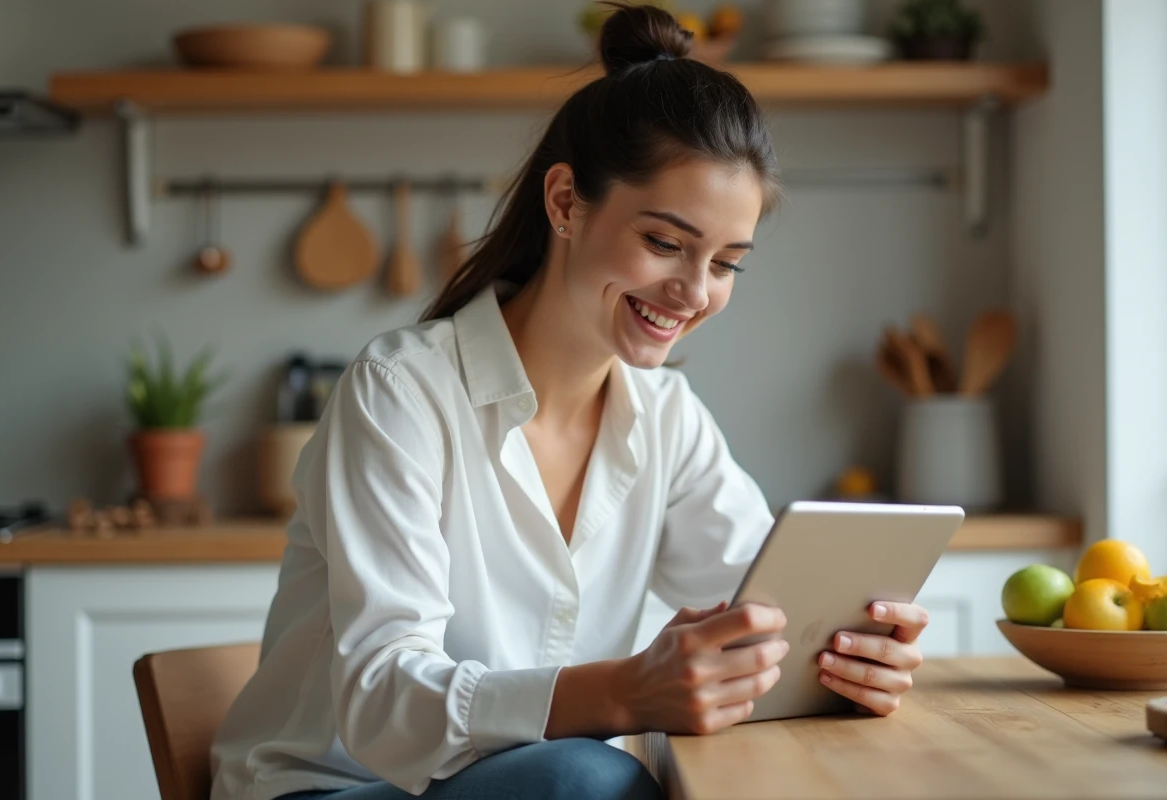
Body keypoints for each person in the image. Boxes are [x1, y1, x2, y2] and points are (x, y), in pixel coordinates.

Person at [209, 4, 930, 799]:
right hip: (335, 787)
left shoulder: (666, 417)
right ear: (564, 203)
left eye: (727, 263)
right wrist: (624, 691)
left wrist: (848, 655)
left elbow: (768, 608)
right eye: (664, 243)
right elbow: (383, 702)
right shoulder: (399, 394)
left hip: (537, 784)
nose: (694, 292)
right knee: (591, 779)